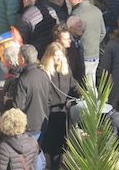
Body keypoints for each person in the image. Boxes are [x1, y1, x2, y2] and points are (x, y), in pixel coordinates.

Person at [40, 42, 79, 170]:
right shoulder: (44, 72)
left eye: (60, 56)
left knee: (60, 146)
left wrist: (83, 93)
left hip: (62, 114)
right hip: (48, 114)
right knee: (49, 146)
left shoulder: (65, 70)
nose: (58, 58)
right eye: (56, 56)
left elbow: (73, 85)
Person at [8, 45, 50, 142]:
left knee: (30, 155)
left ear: (22, 59)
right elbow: (49, 99)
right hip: (43, 123)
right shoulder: (44, 74)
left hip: (28, 127)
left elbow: (18, 106)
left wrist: (8, 102)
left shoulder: (23, 79)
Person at [68, 0, 106, 85]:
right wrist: (94, 43)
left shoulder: (76, 13)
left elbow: (72, 36)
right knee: (91, 82)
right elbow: (103, 32)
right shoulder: (97, 11)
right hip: (94, 53)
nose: (69, 0)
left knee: (84, 85)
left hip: (82, 55)